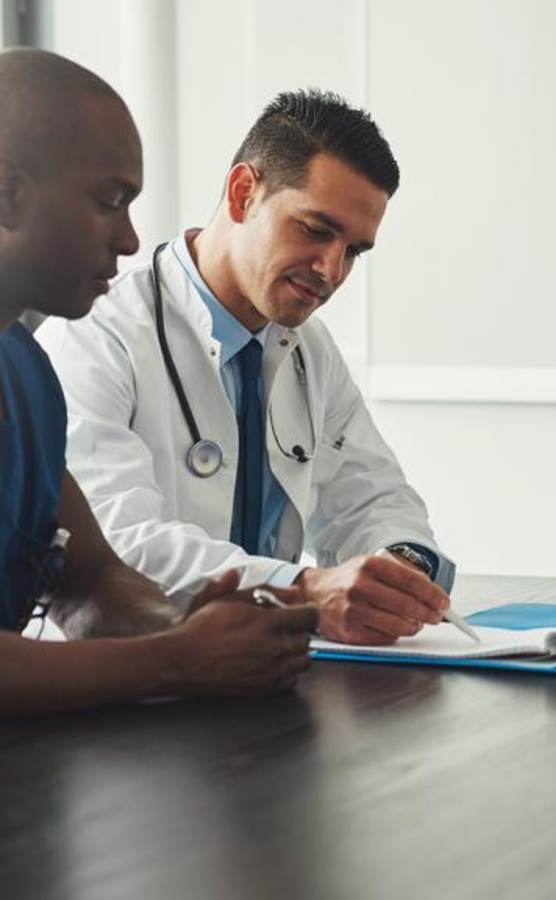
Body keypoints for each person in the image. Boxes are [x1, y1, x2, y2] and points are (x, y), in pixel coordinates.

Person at [39, 90, 453, 646]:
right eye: (314, 229)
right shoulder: (95, 333)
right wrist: (302, 589)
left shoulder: (309, 348)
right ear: (243, 193)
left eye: (354, 251)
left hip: (256, 671)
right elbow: (118, 547)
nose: (331, 269)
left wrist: (398, 568)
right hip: (120, 686)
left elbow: (374, 495)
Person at [0, 48, 316, 712]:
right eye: (109, 201)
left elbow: (89, 582)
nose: (128, 239)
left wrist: (186, 622)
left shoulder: (24, 371)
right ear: (6, 191)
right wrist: (174, 659)